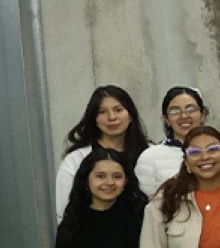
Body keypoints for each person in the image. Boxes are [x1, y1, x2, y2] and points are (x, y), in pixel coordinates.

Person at [55, 85, 151, 216]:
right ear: (93, 119)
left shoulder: (150, 153)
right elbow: (64, 212)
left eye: (118, 110)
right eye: (102, 112)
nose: (111, 117)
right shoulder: (77, 159)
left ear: (131, 115)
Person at [135, 86, 217, 199]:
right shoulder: (150, 157)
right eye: (175, 111)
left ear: (202, 115)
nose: (184, 116)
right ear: (166, 119)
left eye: (190, 109)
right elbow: (147, 204)